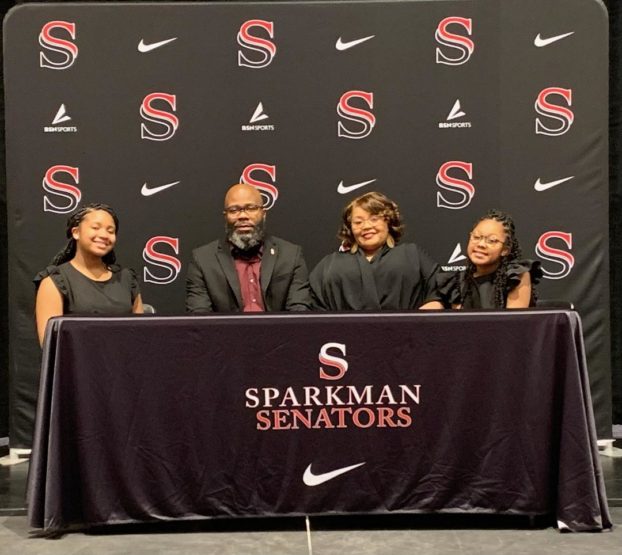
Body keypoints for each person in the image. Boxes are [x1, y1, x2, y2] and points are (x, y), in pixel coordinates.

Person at [185, 183, 312, 312]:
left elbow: (298, 314)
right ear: (225, 216)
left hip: (278, 332)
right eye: (234, 210)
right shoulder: (203, 260)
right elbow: (200, 320)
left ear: (263, 213)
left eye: (251, 208)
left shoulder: (290, 255)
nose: (242, 216)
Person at [309, 191, 442, 310]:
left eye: (374, 219)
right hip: (344, 336)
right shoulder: (329, 265)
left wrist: (415, 323)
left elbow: (440, 295)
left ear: (388, 222)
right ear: (350, 228)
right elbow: (313, 308)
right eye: (358, 222)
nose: (366, 226)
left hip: (408, 335)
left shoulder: (412, 255)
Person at [34, 203, 143, 345]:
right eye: (95, 228)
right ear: (76, 232)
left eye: (110, 231)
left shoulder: (127, 279)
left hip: (125, 364)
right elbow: (50, 346)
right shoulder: (55, 281)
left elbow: (141, 336)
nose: (104, 235)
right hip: (77, 365)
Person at [437, 209, 541, 309]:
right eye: (476, 237)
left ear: (505, 250)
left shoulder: (516, 276)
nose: (481, 244)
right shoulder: (457, 282)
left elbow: (513, 322)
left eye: (491, 240)